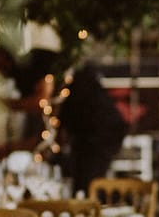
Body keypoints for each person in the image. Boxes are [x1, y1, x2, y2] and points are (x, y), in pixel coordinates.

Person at [53, 57, 129, 193]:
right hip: (101, 133)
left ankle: (84, 204)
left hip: (100, 136)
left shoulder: (75, 87)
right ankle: (84, 203)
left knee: (88, 179)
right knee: (88, 179)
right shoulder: (80, 83)